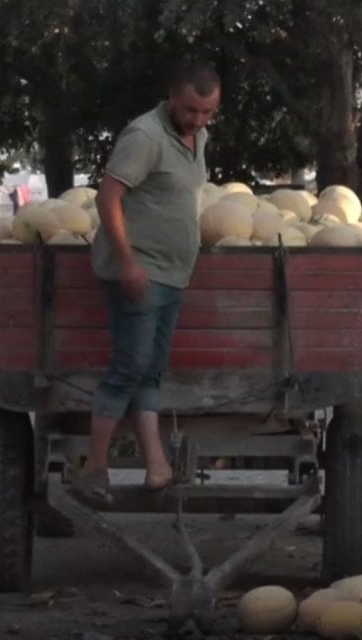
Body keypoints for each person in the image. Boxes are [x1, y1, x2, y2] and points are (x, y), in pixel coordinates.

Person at [73, 63, 222, 504]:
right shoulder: (144, 137)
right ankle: (96, 469)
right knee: (127, 368)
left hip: (174, 275)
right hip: (141, 273)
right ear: (172, 96)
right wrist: (128, 262)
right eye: (192, 110)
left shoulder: (199, 138)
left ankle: (156, 466)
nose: (198, 120)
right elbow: (108, 197)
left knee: (151, 369)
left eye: (208, 112)